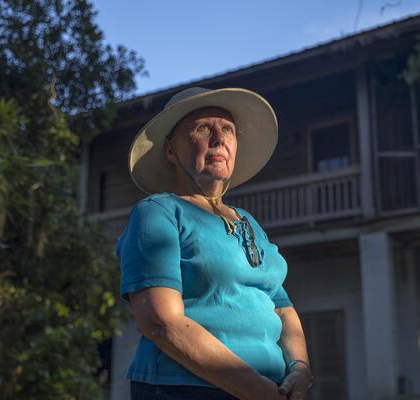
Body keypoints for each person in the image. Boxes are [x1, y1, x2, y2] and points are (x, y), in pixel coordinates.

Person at [117, 87, 313, 400]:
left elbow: (282, 308)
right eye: (203, 128)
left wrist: (300, 369)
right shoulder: (158, 212)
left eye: (228, 130)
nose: (219, 139)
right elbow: (161, 322)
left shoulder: (249, 223)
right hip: (184, 389)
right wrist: (254, 389)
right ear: (171, 150)